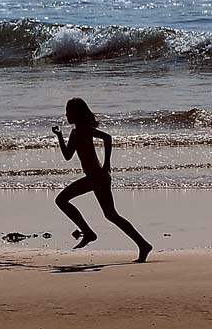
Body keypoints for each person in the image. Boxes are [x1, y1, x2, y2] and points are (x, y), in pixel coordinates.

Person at [52, 97, 153, 262]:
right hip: (95, 178)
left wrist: (107, 163)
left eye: (69, 112)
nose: (66, 115)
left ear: (77, 113)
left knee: (62, 200)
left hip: (97, 177)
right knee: (111, 215)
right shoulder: (75, 132)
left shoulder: (85, 129)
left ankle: (90, 233)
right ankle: (143, 244)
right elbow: (68, 156)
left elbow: (107, 138)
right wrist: (59, 136)